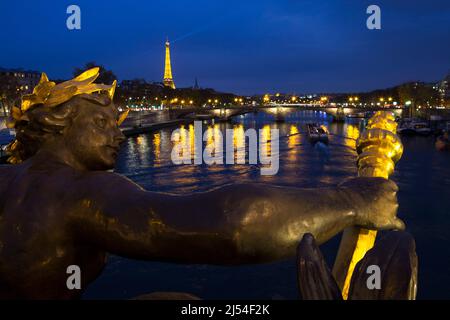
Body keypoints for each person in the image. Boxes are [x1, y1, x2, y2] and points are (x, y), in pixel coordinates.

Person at [0, 69, 403, 299]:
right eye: (102, 123)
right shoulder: (80, 191)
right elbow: (233, 226)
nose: (118, 135)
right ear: (58, 126)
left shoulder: (9, 178)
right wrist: (350, 200)